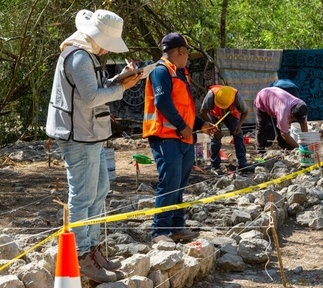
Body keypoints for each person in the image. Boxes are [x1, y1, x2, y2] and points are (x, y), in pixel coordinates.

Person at [45, 9, 141, 283]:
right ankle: (81, 253)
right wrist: (122, 88)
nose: (105, 49)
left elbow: (94, 90)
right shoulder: (78, 57)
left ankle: (92, 248)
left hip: (90, 134)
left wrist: (119, 79)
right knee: (83, 196)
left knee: (99, 191)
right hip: (79, 136)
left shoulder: (84, 55)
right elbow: (90, 98)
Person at [143, 32, 217, 243]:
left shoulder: (180, 74)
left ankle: (176, 226)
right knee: (169, 182)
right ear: (181, 51)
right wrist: (183, 126)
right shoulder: (161, 71)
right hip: (165, 136)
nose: (187, 58)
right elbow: (162, 103)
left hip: (182, 137)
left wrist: (200, 125)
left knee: (179, 183)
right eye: (187, 53)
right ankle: (160, 231)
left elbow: (185, 109)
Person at [199, 85, 251, 174]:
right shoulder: (211, 95)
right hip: (214, 114)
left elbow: (245, 111)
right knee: (215, 137)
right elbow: (202, 112)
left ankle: (242, 163)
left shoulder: (236, 96)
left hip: (230, 114)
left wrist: (239, 125)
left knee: (238, 134)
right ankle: (215, 166)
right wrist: (213, 126)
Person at [254, 86, 309, 153]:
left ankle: (286, 146)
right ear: (291, 115)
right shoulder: (284, 113)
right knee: (262, 126)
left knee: (279, 127)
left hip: (276, 100)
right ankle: (260, 149)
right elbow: (284, 134)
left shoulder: (302, 107)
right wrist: (299, 147)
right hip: (263, 98)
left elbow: (304, 125)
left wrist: (306, 144)